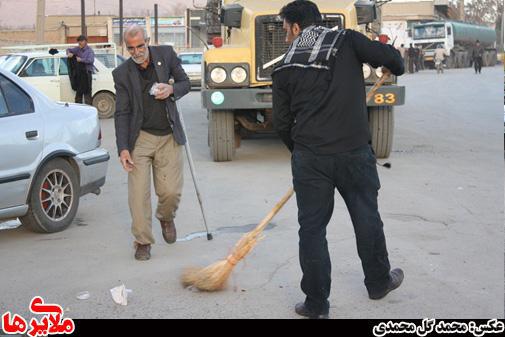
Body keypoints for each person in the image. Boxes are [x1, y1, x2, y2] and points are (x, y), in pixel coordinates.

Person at [272, 0, 404, 319]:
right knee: (366, 217)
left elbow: (281, 122)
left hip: (309, 157)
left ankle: (316, 305)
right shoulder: (347, 40)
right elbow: (393, 60)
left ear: (294, 27)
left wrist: (302, 151)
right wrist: (391, 65)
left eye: (285, 29)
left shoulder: (284, 65)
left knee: (312, 230)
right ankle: (377, 282)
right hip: (353, 153)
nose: (286, 37)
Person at [113, 25, 191, 261]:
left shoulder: (166, 55)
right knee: (138, 194)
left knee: (170, 192)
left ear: (147, 41)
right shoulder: (122, 74)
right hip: (141, 138)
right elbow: (122, 113)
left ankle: (166, 216)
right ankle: (142, 240)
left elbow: (185, 83)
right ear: (126, 48)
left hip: (168, 135)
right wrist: (124, 148)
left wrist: (171, 89)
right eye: (131, 48)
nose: (137, 52)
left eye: (140, 46)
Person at [66, 35, 95, 105]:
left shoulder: (90, 51)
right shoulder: (77, 49)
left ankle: (89, 111)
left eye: (80, 42)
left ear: (85, 41)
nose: (79, 44)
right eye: (78, 42)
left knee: (87, 93)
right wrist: (68, 53)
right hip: (79, 75)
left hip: (87, 74)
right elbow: (68, 49)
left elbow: (91, 60)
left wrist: (81, 60)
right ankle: (79, 110)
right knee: (79, 93)